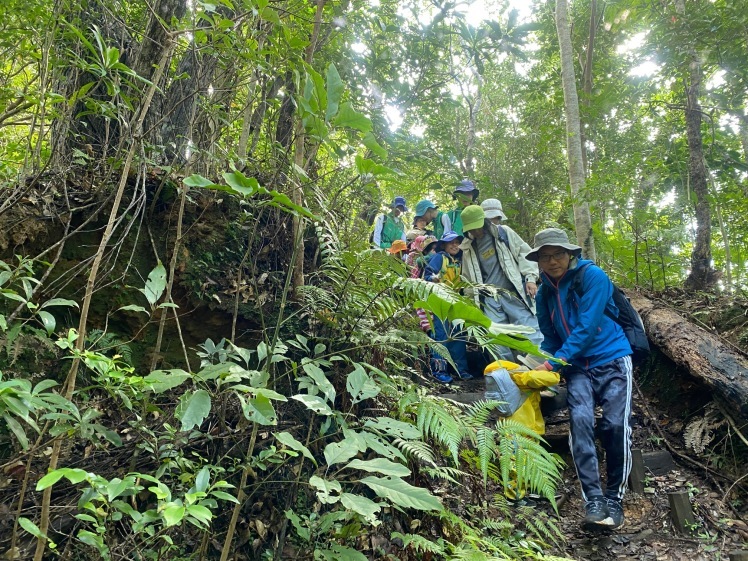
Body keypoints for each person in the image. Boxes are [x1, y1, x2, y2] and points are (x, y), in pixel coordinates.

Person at [527, 228, 633, 532]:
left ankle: (614, 497)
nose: (552, 261)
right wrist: (538, 367)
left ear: (570, 254)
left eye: (557, 254)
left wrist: (555, 362)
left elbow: (586, 329)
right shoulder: (545, 292)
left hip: (612, 358)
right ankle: (594, 500)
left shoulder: (593, 276)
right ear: (538, 261)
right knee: (581, 422)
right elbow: (549, 336)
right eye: (544, 257)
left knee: (614, 424)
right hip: (576, 368)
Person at [458, 205, 543, 361]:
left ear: (484, 221)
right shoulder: (468, 248)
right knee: (496, 341)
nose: (476, 232)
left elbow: (524, 253)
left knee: (530, 332)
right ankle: (506, 380)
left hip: (512, 291)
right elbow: (468, 280)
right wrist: (472, 307)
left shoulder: (503, 233)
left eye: (478, 227)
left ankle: (542, 374)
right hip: (489, 298)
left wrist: (530, 278)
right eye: (472, 229)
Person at [484, 359, 560, 505]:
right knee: (517, 464)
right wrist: (554, 372)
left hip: (516, 426)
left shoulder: (508, 378)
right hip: (523, 426)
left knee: (529, 461)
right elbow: (545, 379)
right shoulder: (521, 376)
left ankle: (529, 491)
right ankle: (515, 497)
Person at [423, 232, 473, 383]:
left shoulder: (460, 260)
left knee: (458, 335)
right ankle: (439, 370)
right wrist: (433, 278)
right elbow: (427, 275)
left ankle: (460, 369)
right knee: (442, 336)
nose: (454, 245)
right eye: (451, 242)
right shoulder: (440, 257)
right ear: (443, 245)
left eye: (457, 242)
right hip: (441, 301)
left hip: (457, 301)